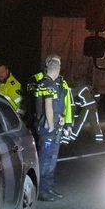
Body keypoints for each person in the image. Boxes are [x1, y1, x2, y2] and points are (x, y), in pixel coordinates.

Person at [34, 55, 67, 201]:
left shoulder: (46, 83)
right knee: (46, 159)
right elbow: (48, 107)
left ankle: (48, 188)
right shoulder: (48, 84)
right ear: (57, 69)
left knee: (51, 159)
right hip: (48, 128)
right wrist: (52, 126)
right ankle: (42, 190)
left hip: (51, 126)